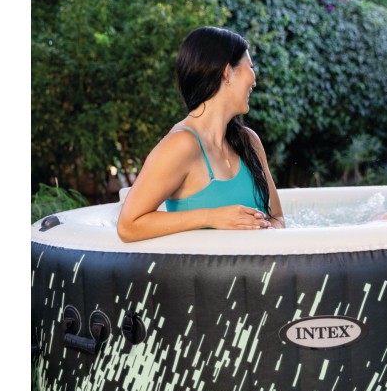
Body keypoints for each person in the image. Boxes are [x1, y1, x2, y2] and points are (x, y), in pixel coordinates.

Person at [117, 27, 285, 241]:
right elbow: (128, 225)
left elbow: (277, 216)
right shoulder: (181, 145)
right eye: (250, 67)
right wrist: (211, 217)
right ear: (227, 72)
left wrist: (270, 234)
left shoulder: (249, 142)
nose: (254, 80)